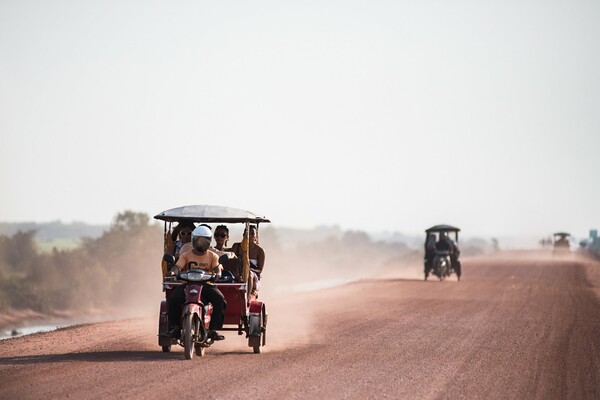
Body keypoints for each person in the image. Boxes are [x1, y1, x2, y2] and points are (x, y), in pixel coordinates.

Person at [167, 225, 226, 341]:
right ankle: (176, 327)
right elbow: (177, 266)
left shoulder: (213, 256)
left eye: (204, 241)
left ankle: (213, 329)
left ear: (208, 241)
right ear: (193, 240)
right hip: (188, 284)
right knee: (173, 299)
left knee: (220, 300)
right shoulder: (186, 255)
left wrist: (218, 273)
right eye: (198, 240)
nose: (200, 243)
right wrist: (173, 272)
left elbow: (217, 268)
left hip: (207, 285)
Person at [231, 225, 265, 299]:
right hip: (237, 272)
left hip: (253, 276)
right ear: (243, 235)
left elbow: (259, 270)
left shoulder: (260, 251)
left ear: (256, 237)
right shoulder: (236, 246)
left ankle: (247, 298)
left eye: (252, 234)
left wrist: (248, 269)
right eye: (247, 234)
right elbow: (231, 262)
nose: (249, 236)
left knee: (249, 274)